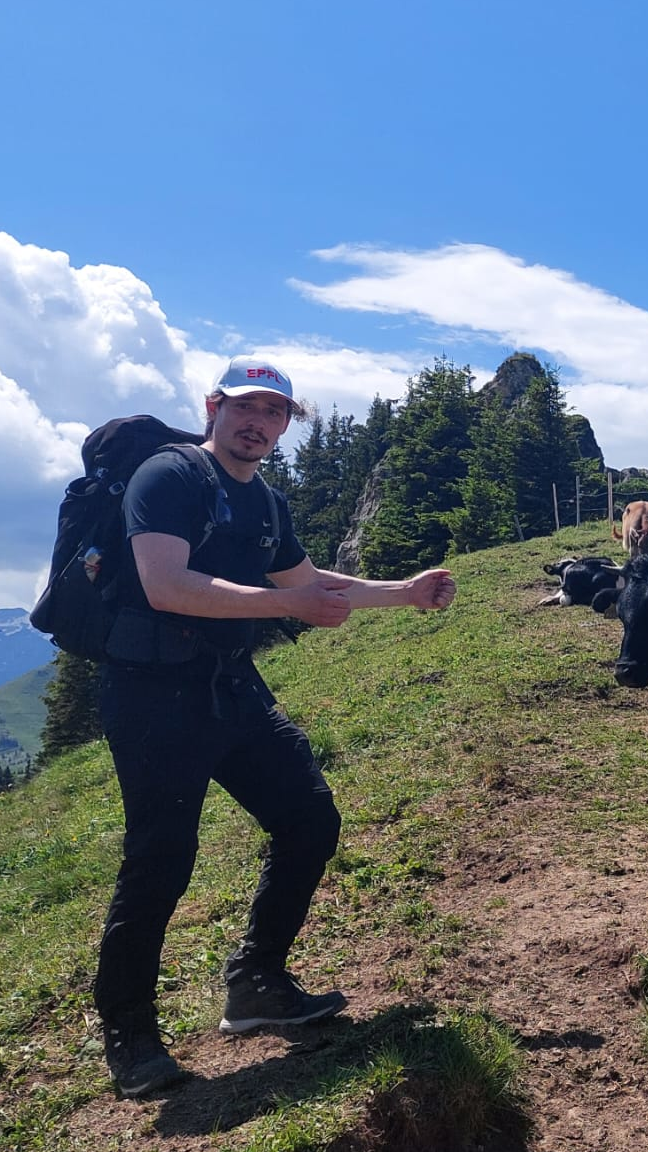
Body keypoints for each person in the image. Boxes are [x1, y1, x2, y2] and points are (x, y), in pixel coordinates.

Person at [94, 356, 456, 1097]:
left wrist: (408, 594)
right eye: (247, 408)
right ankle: (130, 1037)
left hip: (228, 689)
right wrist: (283, 607)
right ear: (213, 406)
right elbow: (168, 586)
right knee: (160, 860)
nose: (259, 424)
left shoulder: (265, 504)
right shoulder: (169, 477)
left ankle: (256, 983)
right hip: (151, 693)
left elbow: (312, 586)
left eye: (275, 413)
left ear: (287, 425)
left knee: (308, 818)